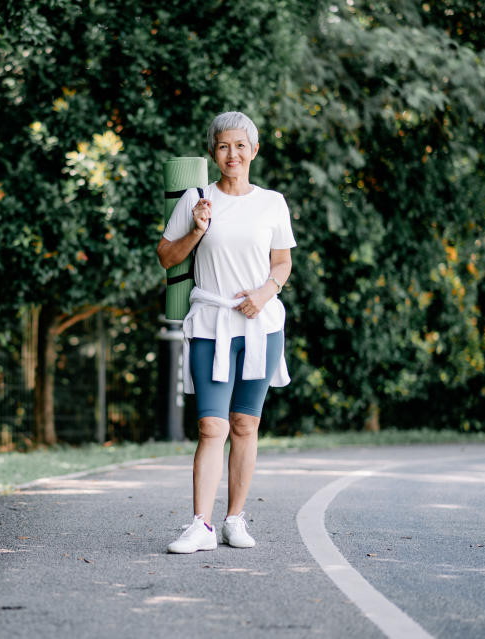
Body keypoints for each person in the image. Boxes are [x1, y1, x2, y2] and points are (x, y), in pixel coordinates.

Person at [157, 111, 295, 553]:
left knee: (245, 424)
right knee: (211, 428)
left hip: (260, 324)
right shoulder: (197, 198)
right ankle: (201, 525)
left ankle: (235, 519)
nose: (232, 154)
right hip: (211, 323)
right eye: (223, 146)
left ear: (254, 150)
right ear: (214, 153)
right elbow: (166, 256)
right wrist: (198, 229)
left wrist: (265, 292)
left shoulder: (272, 202)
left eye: (240, 146)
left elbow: (282, 262)